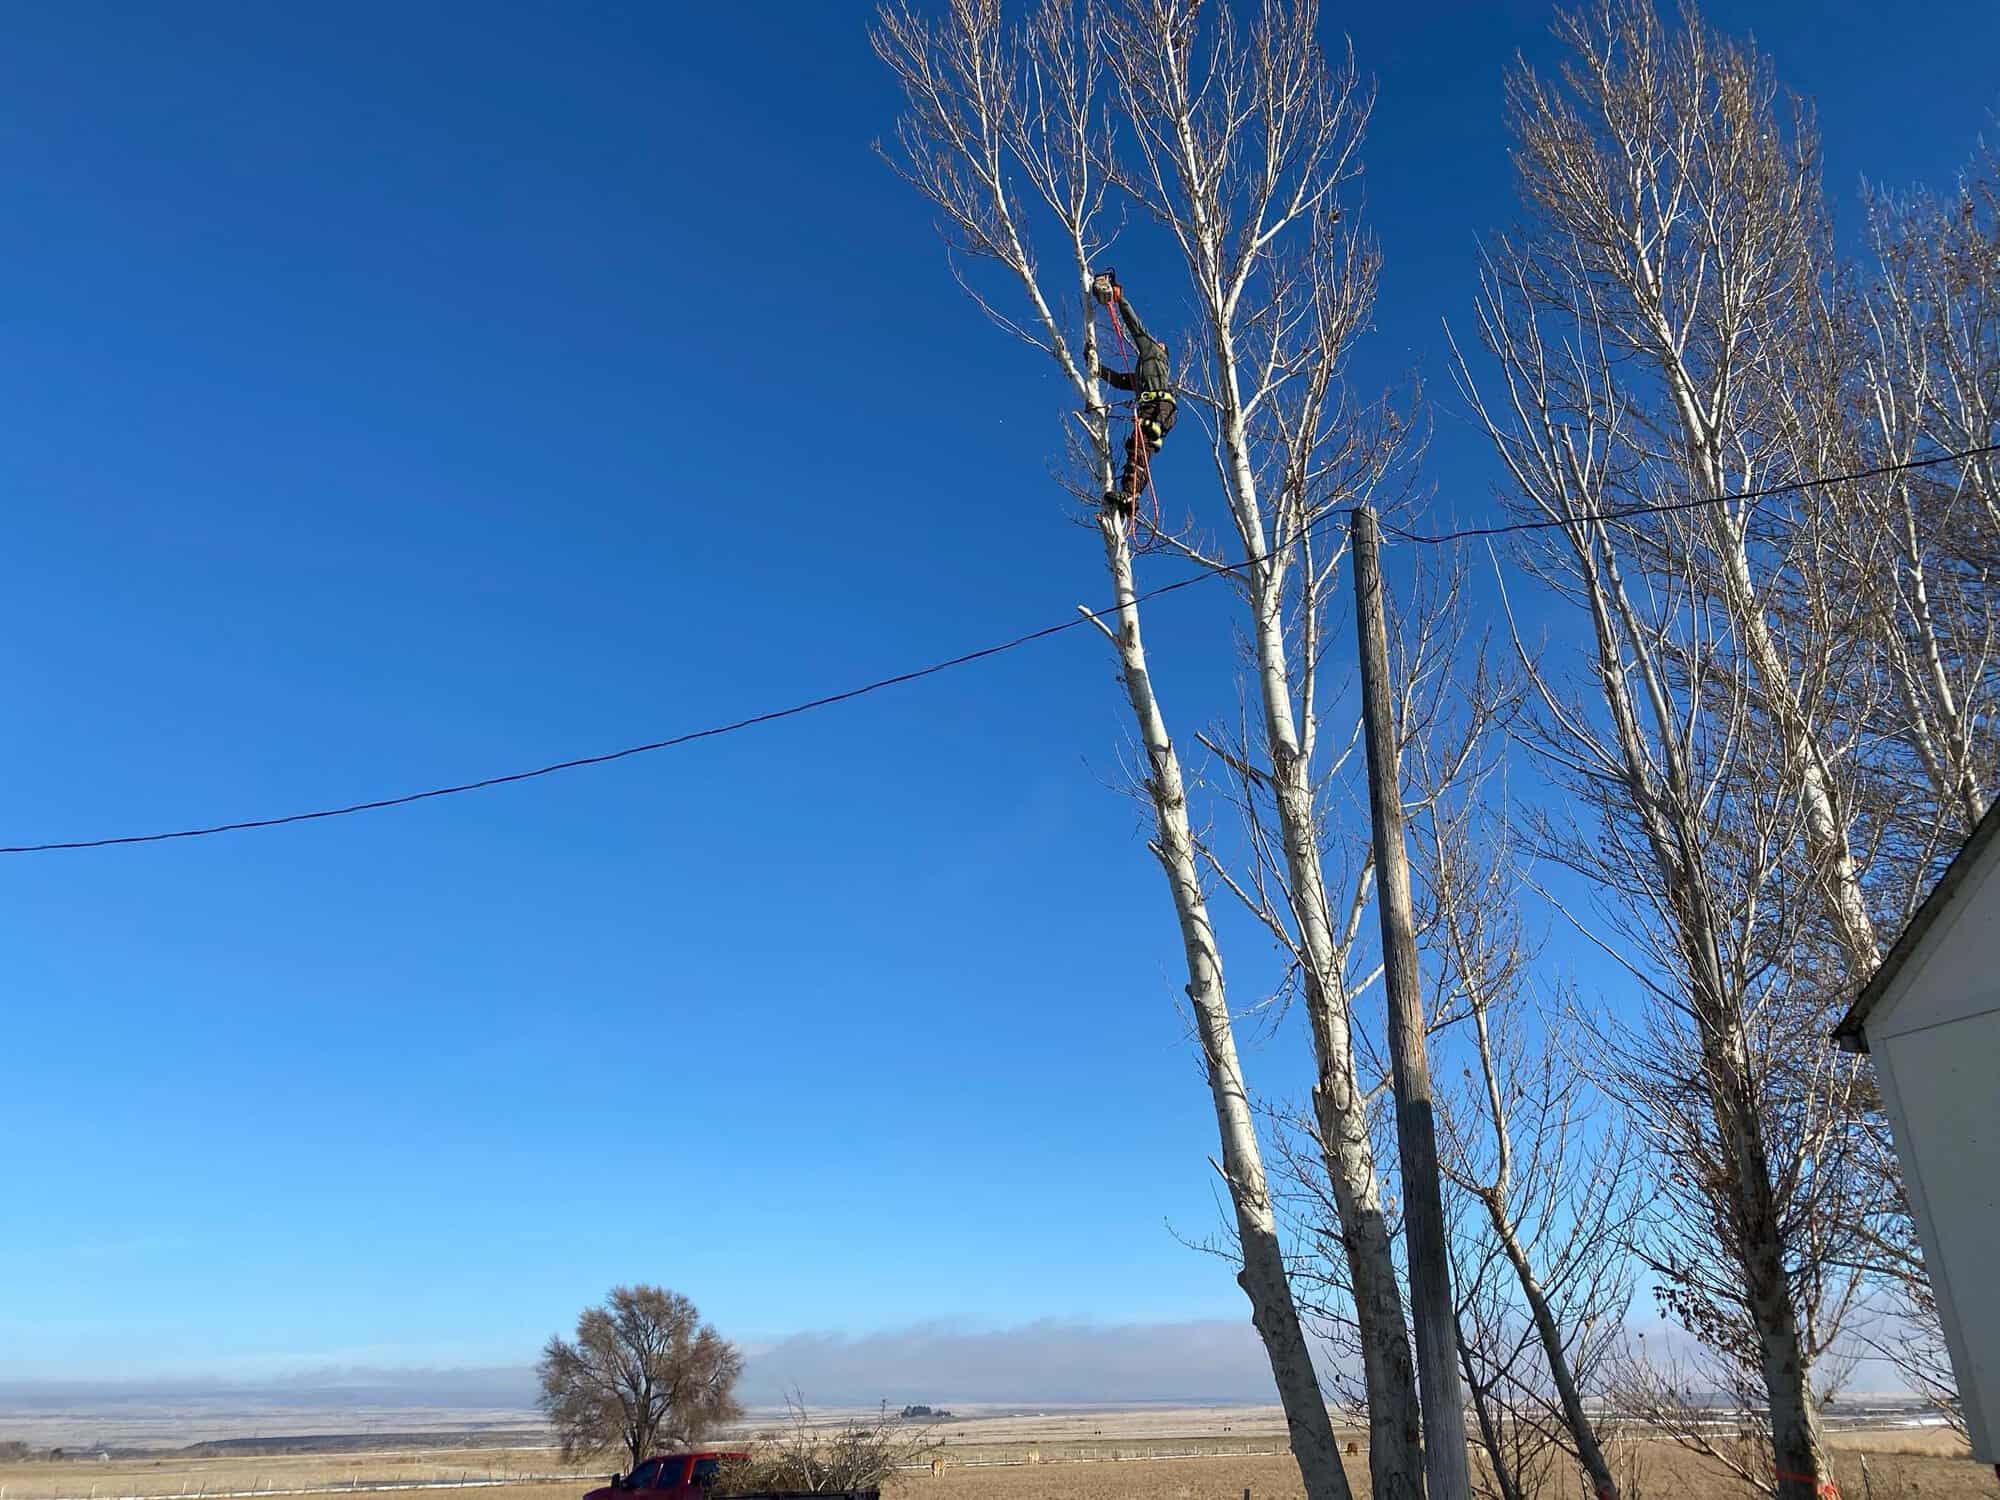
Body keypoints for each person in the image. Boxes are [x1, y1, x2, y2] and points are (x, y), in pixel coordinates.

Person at [1091, 270, 1177, 513]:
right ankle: (1130, 497)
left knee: (1139, 446)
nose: (1156, 342)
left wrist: (1120, 300)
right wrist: (1096, 368)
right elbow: (1119, 380)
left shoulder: (1155, 355)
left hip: (1159, 407)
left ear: (1163, 352)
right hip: (1156, 408)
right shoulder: (1143, 374)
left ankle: (1130, 495)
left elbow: (1136, 329)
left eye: (1160, 344)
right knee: (1137, 447)